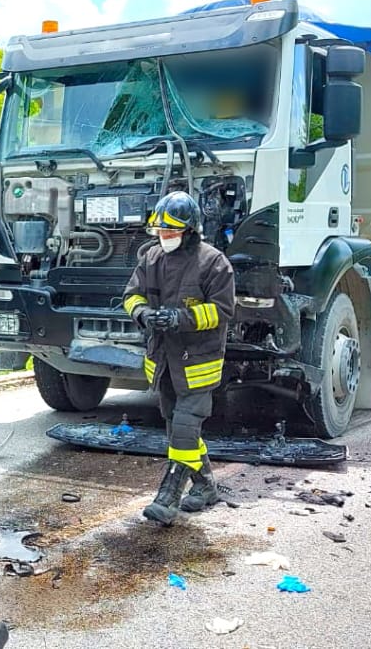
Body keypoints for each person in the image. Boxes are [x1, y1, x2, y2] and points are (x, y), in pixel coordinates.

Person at [123, 191, 235, 525]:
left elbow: (223, 310)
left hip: (198, 362)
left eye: (171, 232)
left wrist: (180, 318)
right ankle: (205, 487)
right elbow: (131, 296)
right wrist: (144, 314)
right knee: (177, 428)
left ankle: (168, 496)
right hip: (164, 361)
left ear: (189, 230)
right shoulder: (151, 258)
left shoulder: (214, 262)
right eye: (161, 232)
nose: (164, 237)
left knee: (185, 426)